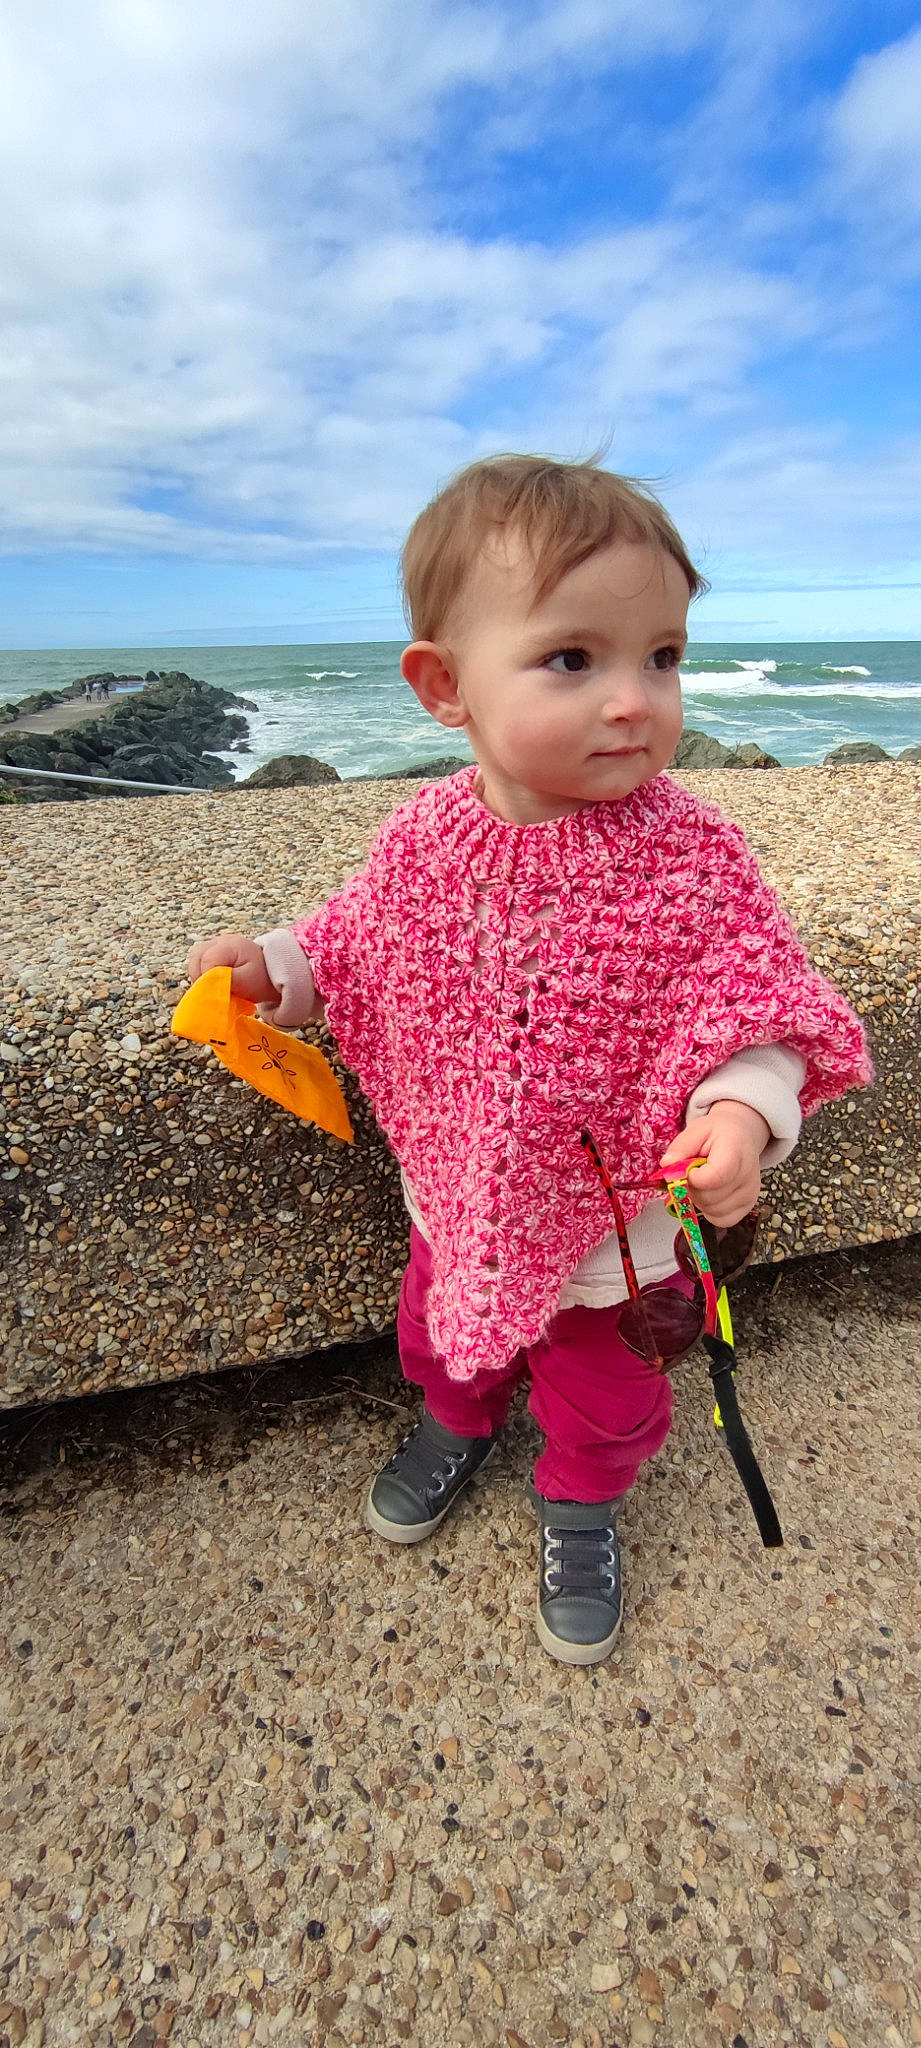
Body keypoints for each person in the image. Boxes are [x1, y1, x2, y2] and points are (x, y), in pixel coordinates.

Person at [185, 455, 872, 1666]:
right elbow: (356, 943)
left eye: (662, 656)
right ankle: (456, 1416)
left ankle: (582, 1500)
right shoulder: (427, 839)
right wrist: (272, 976)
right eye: (574, 658)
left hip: (622, 1232)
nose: (633, 700)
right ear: (445, 685)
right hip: (458, 1193)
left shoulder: (690, 854)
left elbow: (756, 1007)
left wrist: (742, 1119)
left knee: (608, 1391)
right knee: (441, 1329)